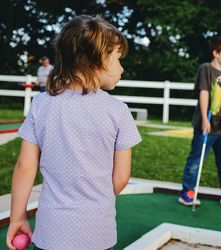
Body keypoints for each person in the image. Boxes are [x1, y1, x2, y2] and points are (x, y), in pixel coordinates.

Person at [6, 15, 141, 250]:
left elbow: (25, 167)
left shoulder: (41, 105)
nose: (122, 67)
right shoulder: (118, 112)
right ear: (98, 60)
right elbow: (120, 178)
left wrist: (18, 217)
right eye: (118, 59)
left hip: (51, 232)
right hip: (98, 234)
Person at [179, 36, 221, 206]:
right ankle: (188, 191)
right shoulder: (206, 69)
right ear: (216, 53)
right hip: (206, 125)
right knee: (196, 159)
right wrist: (204, 118)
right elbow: (203, 93)